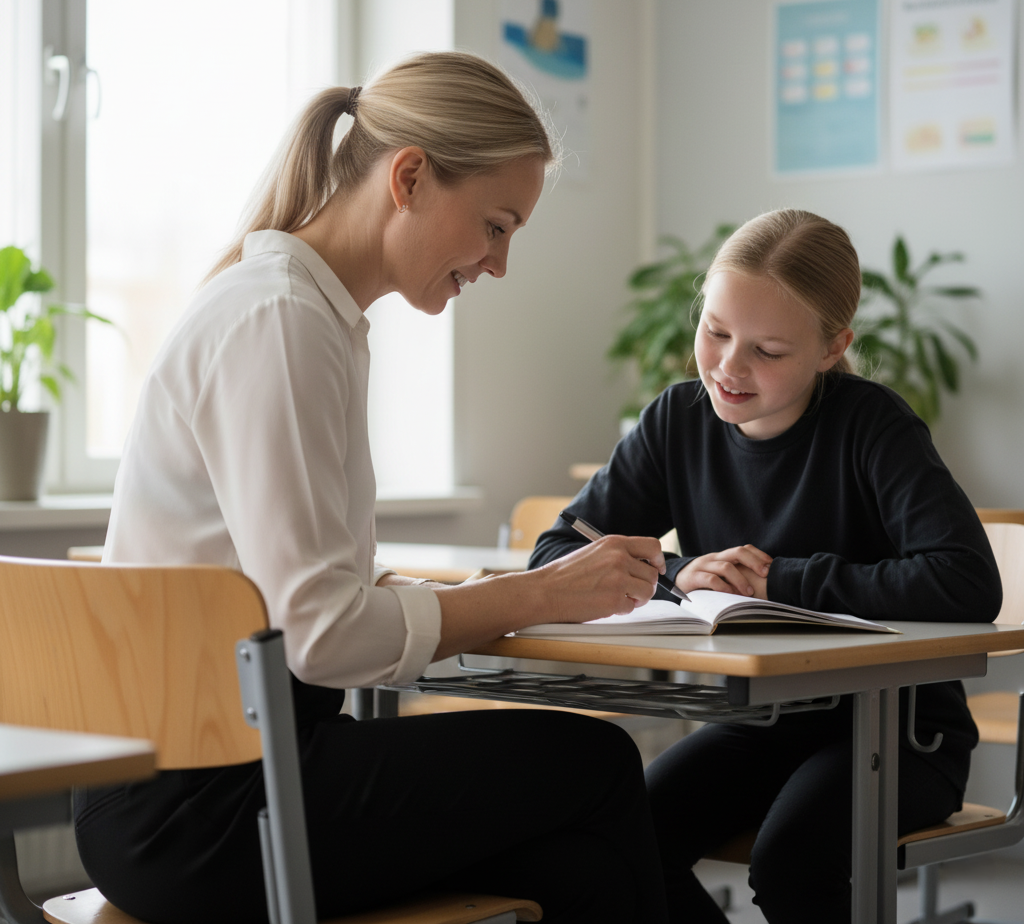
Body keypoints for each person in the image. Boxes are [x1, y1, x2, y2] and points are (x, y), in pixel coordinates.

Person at [75, 53, 671, 924]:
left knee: (573, 865)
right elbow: (320, 634)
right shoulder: (281, 321)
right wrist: (532, 593)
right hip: (203, 808)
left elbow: (300, 591)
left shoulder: (303, 314)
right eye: (496, 225)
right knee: (599, 763)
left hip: (186, 791)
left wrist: (479, 594)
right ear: (411, 177)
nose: (499, 263)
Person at [530, 209, 1001, 923]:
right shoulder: (677, 421)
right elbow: (557, 553)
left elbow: (966, 581)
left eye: (769, 350)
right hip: (760, 722)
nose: (727, 367)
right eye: (716, 332)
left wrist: (783, 579)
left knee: (793, 858)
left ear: (831, 347)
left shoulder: (874, 427)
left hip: (899, 737)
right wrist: (679, 575)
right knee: (618, 842)